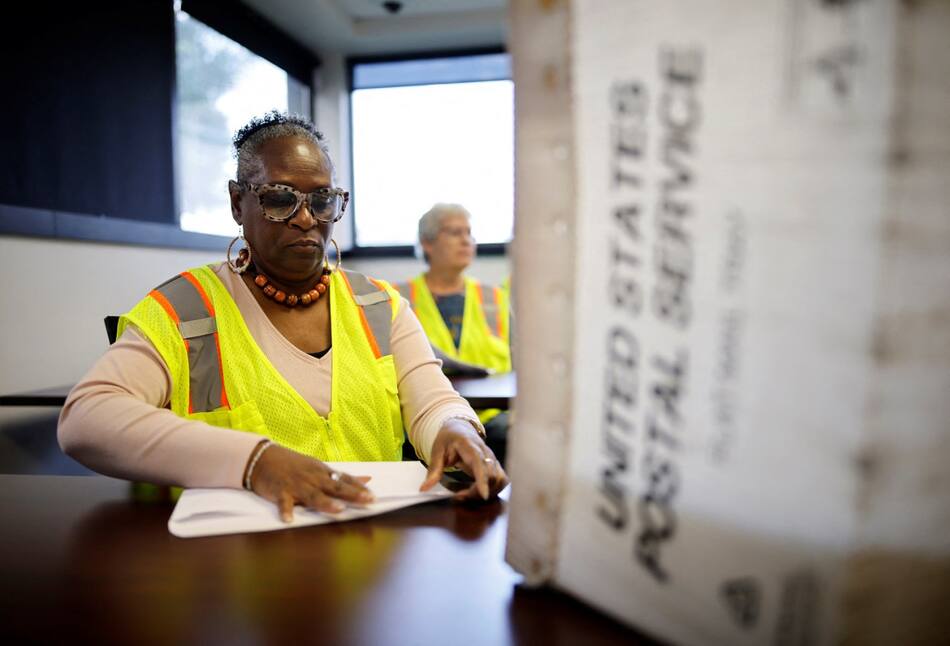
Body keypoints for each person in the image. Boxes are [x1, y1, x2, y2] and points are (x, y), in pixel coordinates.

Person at [58, 112, 507, 522]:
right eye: (279, 199)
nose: (306, 218)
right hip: (232, 568)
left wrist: (454, 428)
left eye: (323, 200)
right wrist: (255, 462)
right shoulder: (186, 309)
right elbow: (86, 420)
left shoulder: (380, 304)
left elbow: (431, 401)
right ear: (238, 203)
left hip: (372, 544)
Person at [395, 204, 512, 463]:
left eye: (469, 233)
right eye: (455, 232)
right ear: (427, 243)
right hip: (424, 417)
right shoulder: (395, 298)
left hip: (492, 418)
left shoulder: (494, 297)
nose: (466, 240)